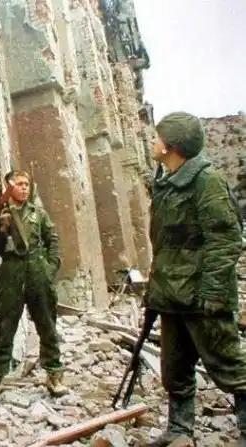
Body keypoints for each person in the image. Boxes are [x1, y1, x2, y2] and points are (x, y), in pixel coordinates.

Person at [145, 112, 246, 446]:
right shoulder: (166, 182)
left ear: (171, 145)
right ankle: (180, 430)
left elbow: (225, 240)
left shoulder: (206, 181)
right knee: (174, 369)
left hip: (202, 297)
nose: (153, 141)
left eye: (158, 136)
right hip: (172, 295)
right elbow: (165, 247)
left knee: (229, 365)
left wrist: (213, 294)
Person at [0, 169, 68, 400]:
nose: (24, 188)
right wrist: (2, 229)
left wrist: (50, 268)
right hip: (11, 272)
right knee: (4, 326)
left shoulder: (38, 213)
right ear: (9, 188)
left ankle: (54, 374)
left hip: (37, 270)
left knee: (47, 324)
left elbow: (52, 240)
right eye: (19, 184)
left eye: (26, 184)